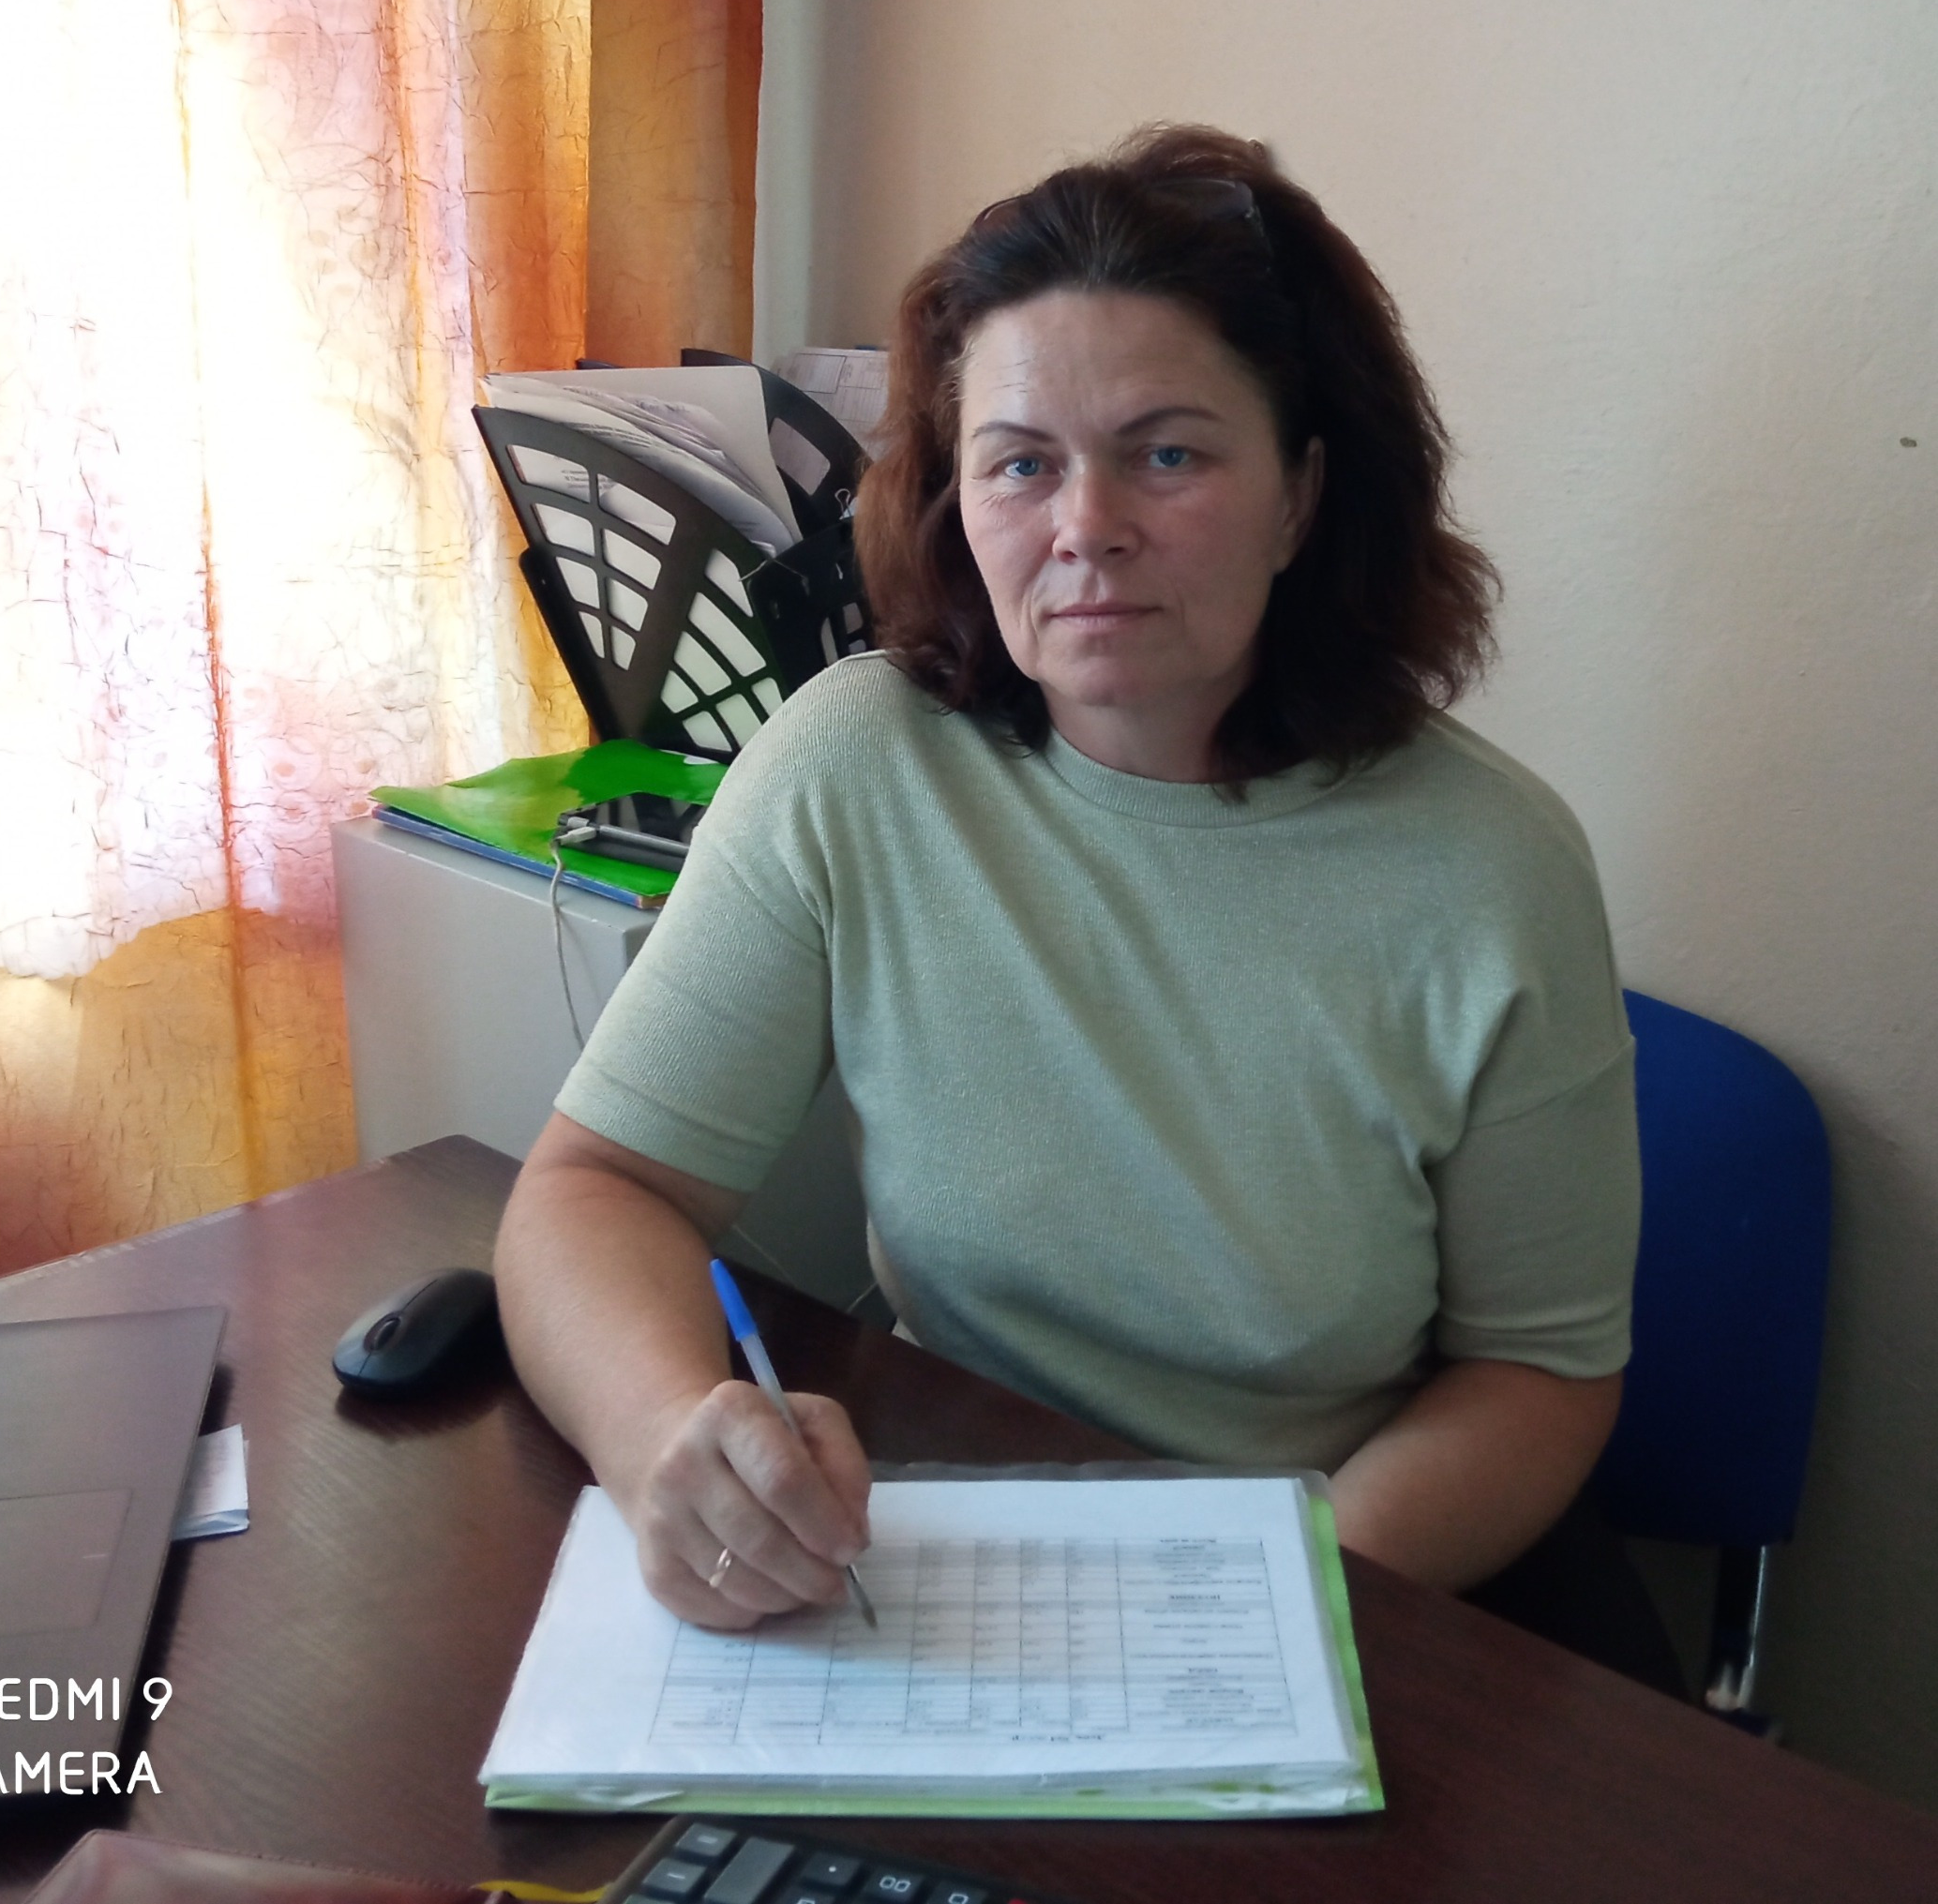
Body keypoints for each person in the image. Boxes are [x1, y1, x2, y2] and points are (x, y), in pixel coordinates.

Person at [494, 125, 1677, 1690]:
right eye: (1021, 462)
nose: (1085, 524)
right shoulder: (856, 765)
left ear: (1301, 494)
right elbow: (597, 1189)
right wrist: (663, 1435)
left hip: (1351, 1583)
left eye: (1168, 454)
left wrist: (1274, 1605)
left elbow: (1538, 1371)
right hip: (962, 1562)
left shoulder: (1489, 866)